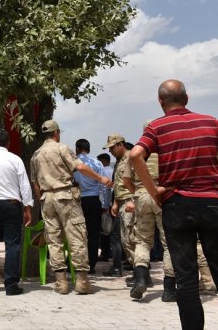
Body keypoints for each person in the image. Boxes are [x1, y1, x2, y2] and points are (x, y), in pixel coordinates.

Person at [129, 79, 218, 330]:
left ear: (160, 101)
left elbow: (135, 155)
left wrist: (155, 191)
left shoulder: (157, 127)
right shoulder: (211, 122)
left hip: (177, 206)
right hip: (212, 205)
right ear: (187, 99)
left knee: (186, 281)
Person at [30, 120, 112, 295]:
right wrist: (101, 178)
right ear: (56, 133)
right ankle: (82, 281)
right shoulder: (62, 149)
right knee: (77, 236)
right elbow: (80, 167)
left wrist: (42, 201)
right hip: (66, 196)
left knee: (54, 240)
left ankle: (61, 283)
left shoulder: (35, 155)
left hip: (47, 198)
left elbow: (35, 184)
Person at [0, 129, 33, 295]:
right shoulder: (15, 159)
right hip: (11, 204)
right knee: (12, 245)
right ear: (8, 144)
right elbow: (24, 184)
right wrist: (28, 207)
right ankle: (11, 285)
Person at [123, 122, 172, 301]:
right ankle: (168, 290)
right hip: (162, 197)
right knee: (168, 243)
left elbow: (126, 179)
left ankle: (141, 280)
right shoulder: (166, 150)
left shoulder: (136, 151)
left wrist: (136, 193)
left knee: (142, 241)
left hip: (141, 196)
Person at [103, 134, 135, 277]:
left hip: (130, 202)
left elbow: (139, 182)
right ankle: (139, 273)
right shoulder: (119, 161)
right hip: (121, 202)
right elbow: (119, 184)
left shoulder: (132, 158)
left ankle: (142, 275)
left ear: (120, 145)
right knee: (124, 239)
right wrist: (115, 202)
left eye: (112, 148)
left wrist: (133, 200)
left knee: (131, 239)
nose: (110, 151)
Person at [73, 139, 106, 274]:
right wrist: (105, 204)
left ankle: (78, 264)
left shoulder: (72, 164)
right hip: (93, 201)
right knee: (93, 235)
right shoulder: (97, 163)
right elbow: (104, 185)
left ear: (76, 149)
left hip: (77, 201)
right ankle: (91, 265)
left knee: (77, 235)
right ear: (89, 149)